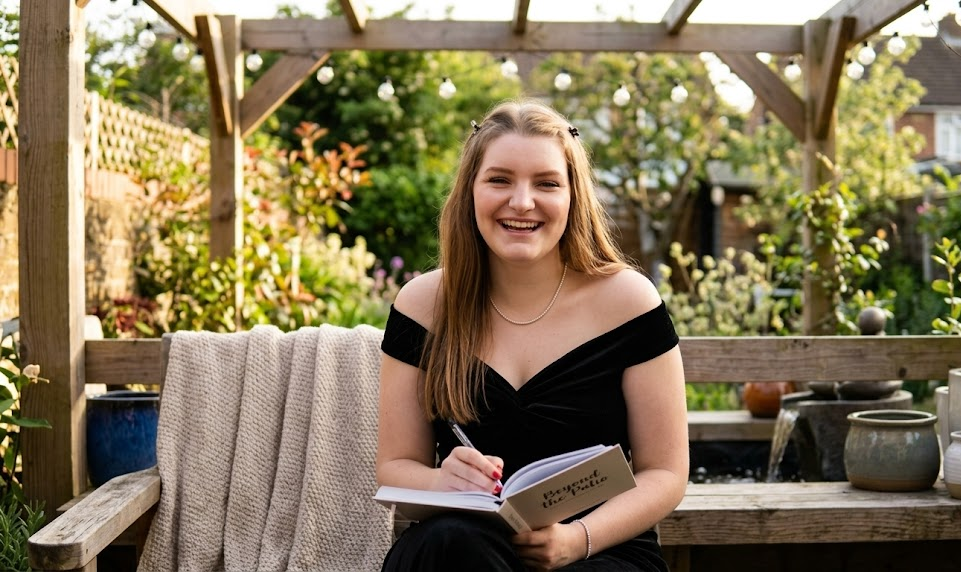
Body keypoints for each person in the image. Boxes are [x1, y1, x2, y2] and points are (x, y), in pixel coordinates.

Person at [377, 99, 688, 571]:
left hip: (599, 547)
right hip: (467, 550)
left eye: (546, 183)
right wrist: (444, 481)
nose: (522, 202)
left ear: (572, 197)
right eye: (499, 180)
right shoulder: (421, 305)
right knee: (451, 545)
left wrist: (577, 539)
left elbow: (665, 472)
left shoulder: (629, 300)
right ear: (470, 192)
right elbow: (396, 466)